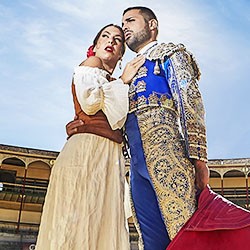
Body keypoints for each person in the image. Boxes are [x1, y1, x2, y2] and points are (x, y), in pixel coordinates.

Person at [67, 6, 250, 250]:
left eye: (131, 21)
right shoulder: (125, 73)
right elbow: (107, 111)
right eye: (123, 23)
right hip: (134, 164)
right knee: (151, 240)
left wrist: (199, 158)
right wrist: (84, 127)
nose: (125, 27)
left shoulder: (170, 53)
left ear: (152, 25)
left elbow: (190, 101)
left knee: (183, 229)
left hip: (168, 155)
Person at [35, 24, 145, 250]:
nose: (111, 41)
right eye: (105, 36)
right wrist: (123, 81)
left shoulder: (110, 79)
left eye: (118, 40)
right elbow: (91, 103)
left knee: (94, 225)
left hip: (105, 154)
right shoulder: (92, 65)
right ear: (94, 46)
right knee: (78, 223)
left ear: (121, 54)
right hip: (88, 151)